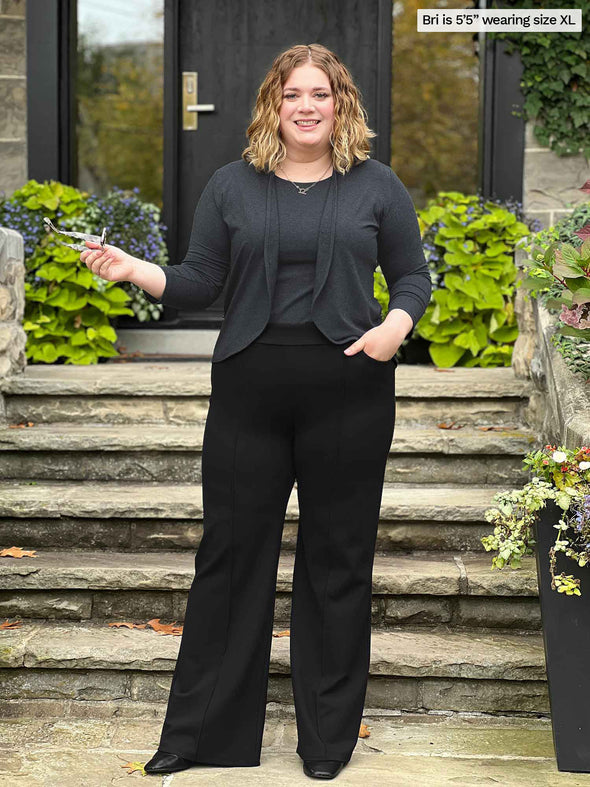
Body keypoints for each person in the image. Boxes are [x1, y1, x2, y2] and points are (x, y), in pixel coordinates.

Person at [80, 43, 432, 781]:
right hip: (249, 392)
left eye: (321, 94)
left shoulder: (377, 186)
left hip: (350, 390)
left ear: (342, 106)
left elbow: (409, 276)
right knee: (230, 560)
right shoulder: (230, 187)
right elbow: (199, 280)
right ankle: (199, 736)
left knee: (338, 564)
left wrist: (394, 328)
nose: (307, 107)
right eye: (294, 94)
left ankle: (327, 740)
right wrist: (131, 269)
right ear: (274, 104)